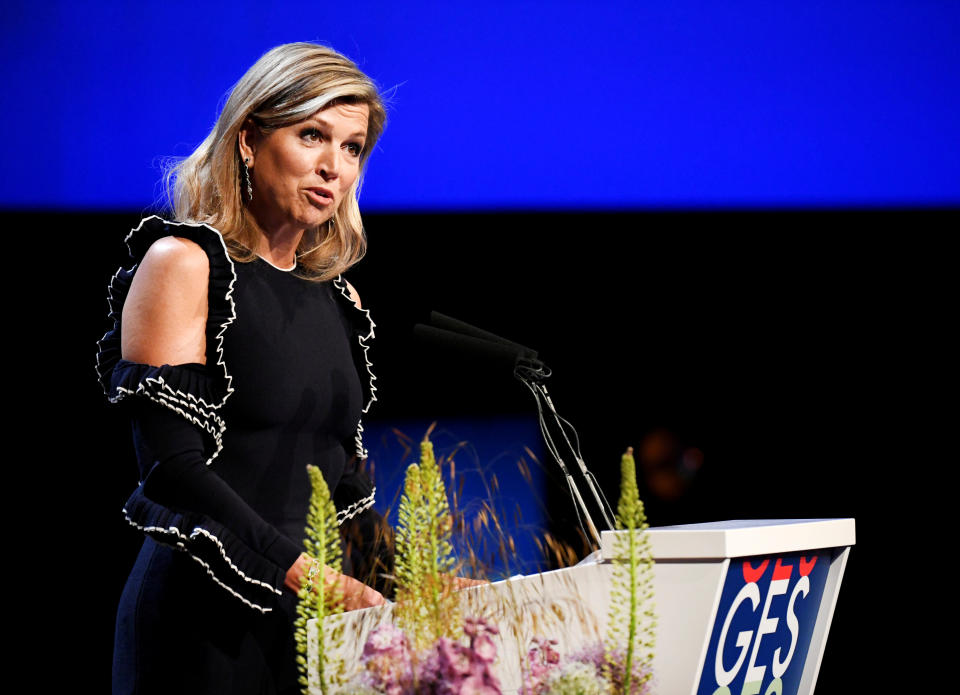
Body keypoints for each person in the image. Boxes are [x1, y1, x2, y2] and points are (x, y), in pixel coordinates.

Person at [97, 43, 390, 694]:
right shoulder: (184, 262)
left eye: (351, 148)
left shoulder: (339, 297)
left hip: (309, 620)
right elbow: (171, 467)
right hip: (200, 620)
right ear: (249, 140)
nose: (331, 167)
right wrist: (308, 574)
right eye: (312, 135)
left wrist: (414, 574)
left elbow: (341, 479)